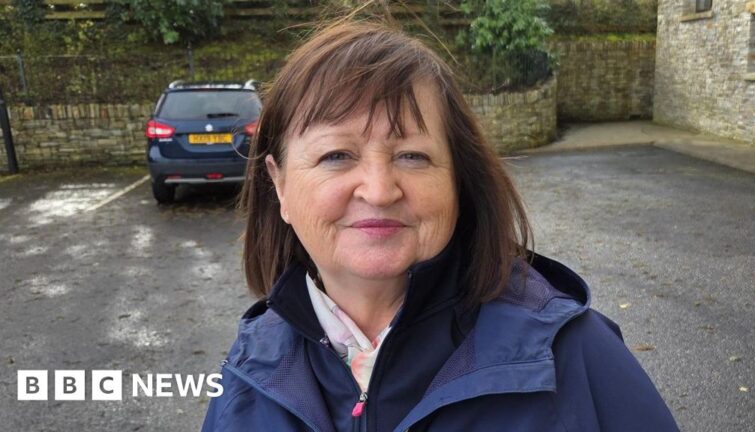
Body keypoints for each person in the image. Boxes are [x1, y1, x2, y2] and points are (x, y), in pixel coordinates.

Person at [202, 19, 679, 432]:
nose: (379, 190)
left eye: (412, 155)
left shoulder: (571, 355)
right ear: (280, 185)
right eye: (337, 155)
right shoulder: (248, 372)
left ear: (457, 180)